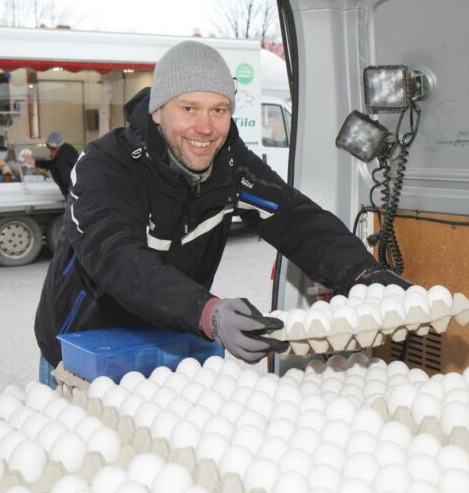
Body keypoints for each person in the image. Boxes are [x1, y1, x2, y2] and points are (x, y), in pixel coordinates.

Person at [34, 41, 412, 387]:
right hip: (84, 350)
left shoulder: (230, 166)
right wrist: (207, 312)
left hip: (173, 343)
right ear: (157, 112)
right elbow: (117, 258)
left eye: (219, 110)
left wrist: (364, 274)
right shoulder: (106, 165)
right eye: (189, 108)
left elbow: (296, 219)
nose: (205, 127)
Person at [35, 132, 80, 197]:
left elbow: (54, 165)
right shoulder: (68, 151)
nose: (51, 153)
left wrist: (35, 163)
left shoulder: (61, 159)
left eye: (51, 149)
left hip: (74, 194)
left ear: (55, 147)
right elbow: (53, 164)